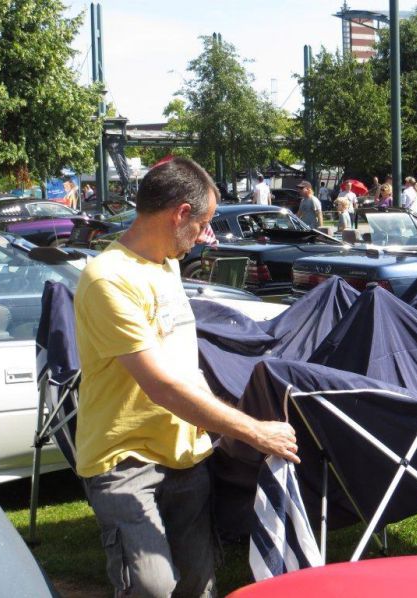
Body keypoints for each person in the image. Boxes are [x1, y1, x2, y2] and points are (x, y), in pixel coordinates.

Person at [74, 157, 300, 597]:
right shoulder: (109, 279)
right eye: (203, 224)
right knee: (151, 587)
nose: (204, 236)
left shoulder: (167, 265)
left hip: (185, 456)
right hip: (124, 461)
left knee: (198, 583)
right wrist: (253, 431)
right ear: (180, 214)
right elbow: (160, 385)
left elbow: (183, 362)